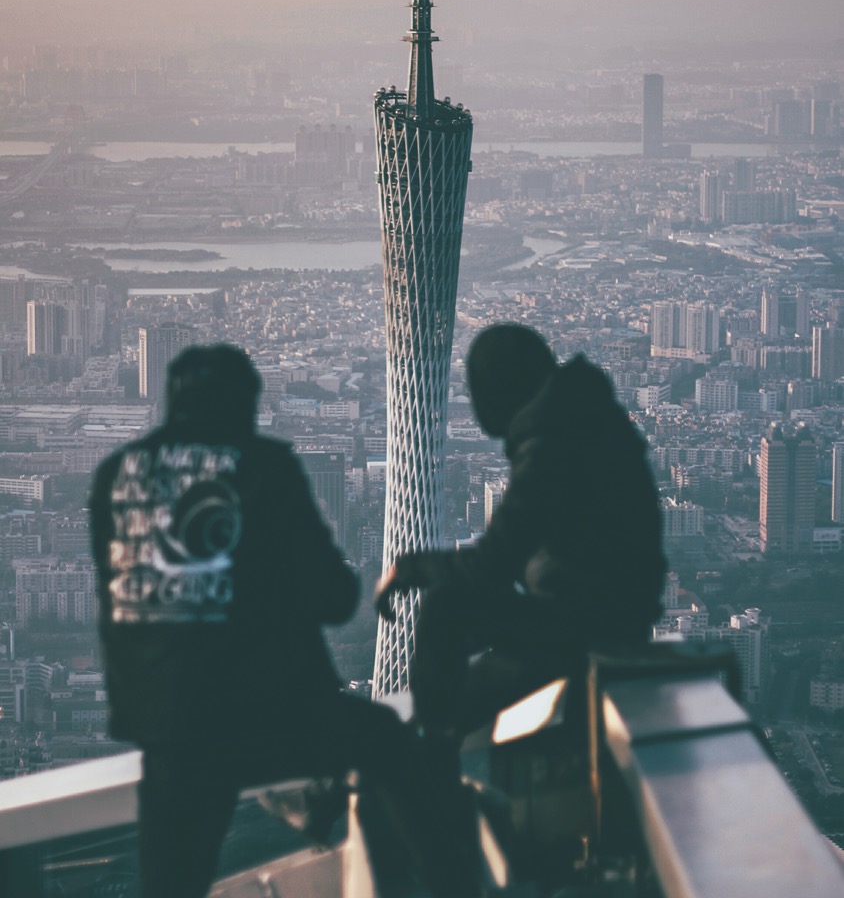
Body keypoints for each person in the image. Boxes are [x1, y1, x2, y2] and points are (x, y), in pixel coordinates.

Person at [90, 343, 480, 898]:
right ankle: (448, 886)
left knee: (172, 881)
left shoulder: (116, 475)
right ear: (243, 406)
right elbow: (334, 598)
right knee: (387, 742)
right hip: (261, 715)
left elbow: (121, 605)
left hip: (165, 727)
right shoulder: (263, 465)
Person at [376, 324, 667, 744]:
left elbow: (492, 563)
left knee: (447, 607)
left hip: (587, 627)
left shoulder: (554, 445)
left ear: (500, 389)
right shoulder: (585, 420)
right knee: (466, 643)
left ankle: (430, 758)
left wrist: (409, 569)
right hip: (611, 615)